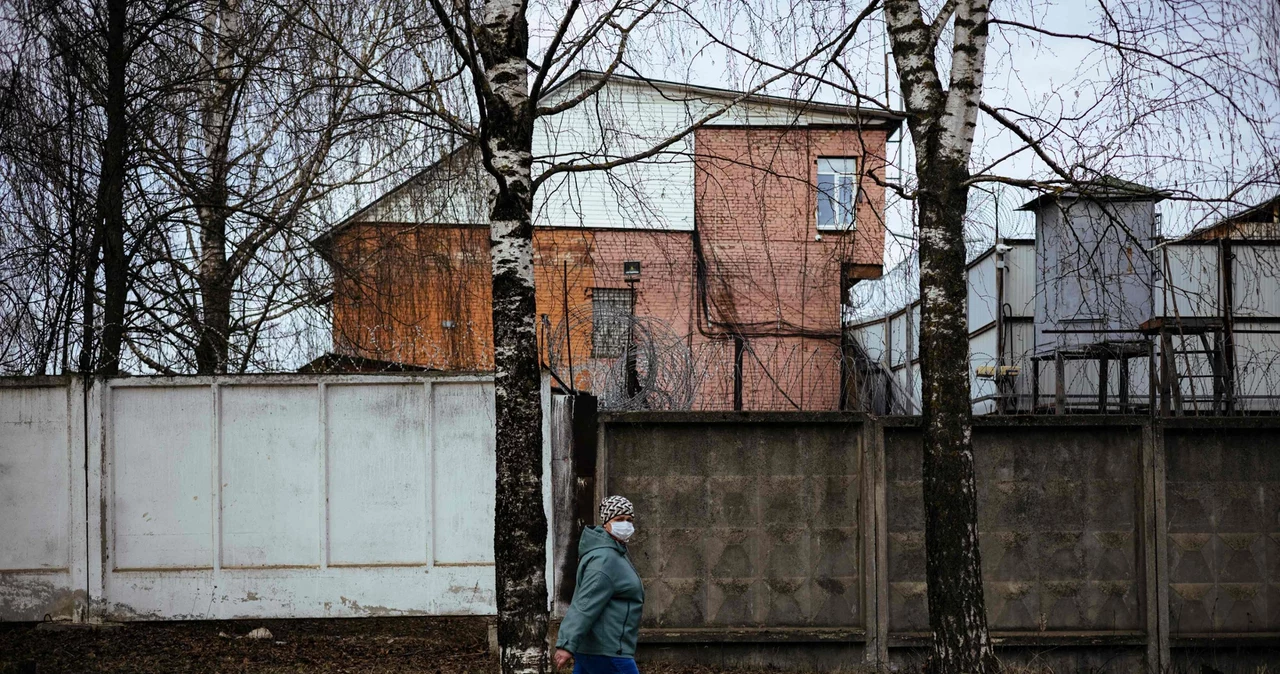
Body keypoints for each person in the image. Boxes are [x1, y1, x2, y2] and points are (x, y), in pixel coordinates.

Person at [553, 495, 644, 674]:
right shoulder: (606, 559)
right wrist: (566, 643)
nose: (625, 524)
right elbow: (585, 603)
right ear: (606, 523)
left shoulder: (615, 554)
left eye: (629, 520)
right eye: (619, 519)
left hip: (598, 649)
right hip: (608, 651)